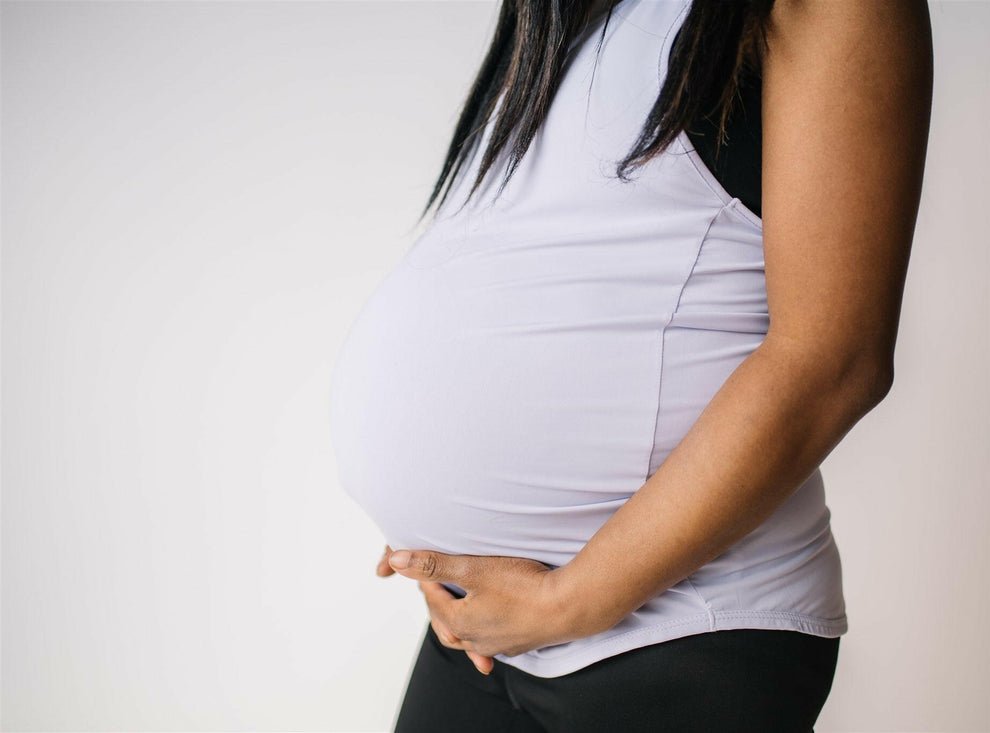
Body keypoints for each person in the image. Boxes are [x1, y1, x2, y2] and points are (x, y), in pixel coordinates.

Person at [328, 0, 933, 730]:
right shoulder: (565, 16)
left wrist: (566, 602)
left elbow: (835, 359)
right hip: (486, 640)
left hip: (678, 637)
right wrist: (447, 563)